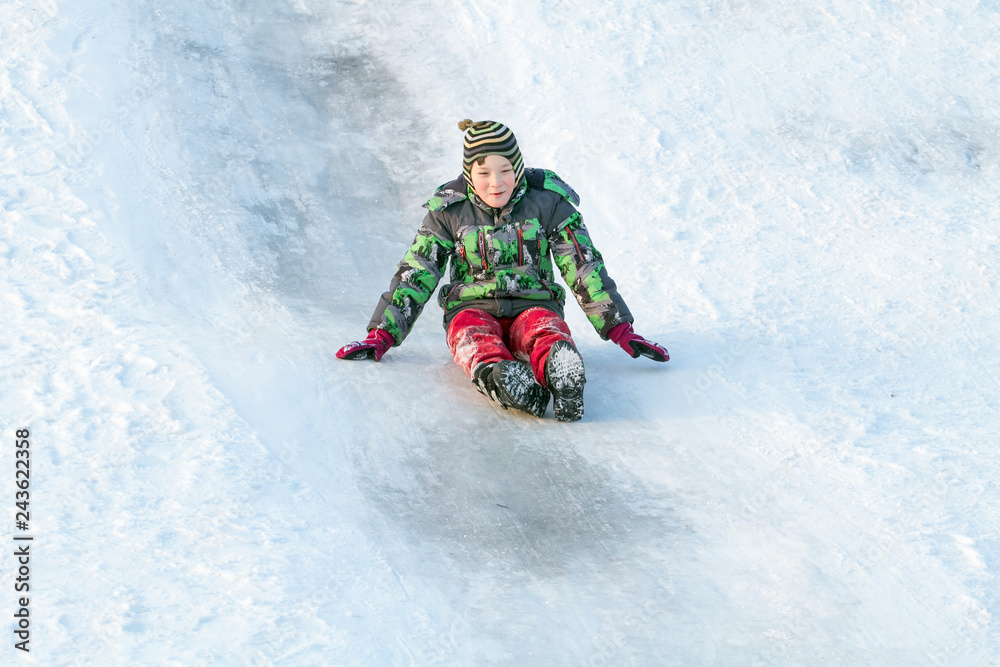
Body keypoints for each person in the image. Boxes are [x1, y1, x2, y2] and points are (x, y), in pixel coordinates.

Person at [337, 119, 668, 421]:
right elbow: (417, 271)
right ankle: (502, 378)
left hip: (534, 303)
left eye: (505, 170)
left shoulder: (548, 202)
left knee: (544, 328)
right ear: (469, 174)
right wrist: (381, 333)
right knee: (471, 336)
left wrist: (619, 327)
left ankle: (560, 369)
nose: (496, 182)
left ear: (519, 168)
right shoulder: (450, 211)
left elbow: (583, 266)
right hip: (471, 307)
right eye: (484, 173)